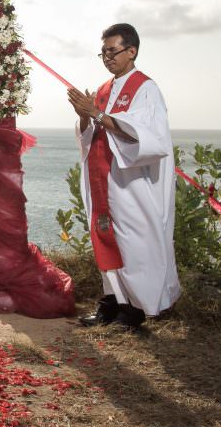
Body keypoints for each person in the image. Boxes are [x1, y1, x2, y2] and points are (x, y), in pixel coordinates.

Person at [67, 23, 181, 330]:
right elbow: (92, 131)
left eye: (112, 51)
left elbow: (148, 137)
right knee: (107, 240)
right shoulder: (104, 90)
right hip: (105, 179)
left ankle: (137, 310)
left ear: (131, 51)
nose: (106, 58)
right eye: (102, 52)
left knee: (134, 246)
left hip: (132, 183)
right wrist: (84, 116)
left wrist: (98, 115)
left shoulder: (146, 89)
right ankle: (112, 303)